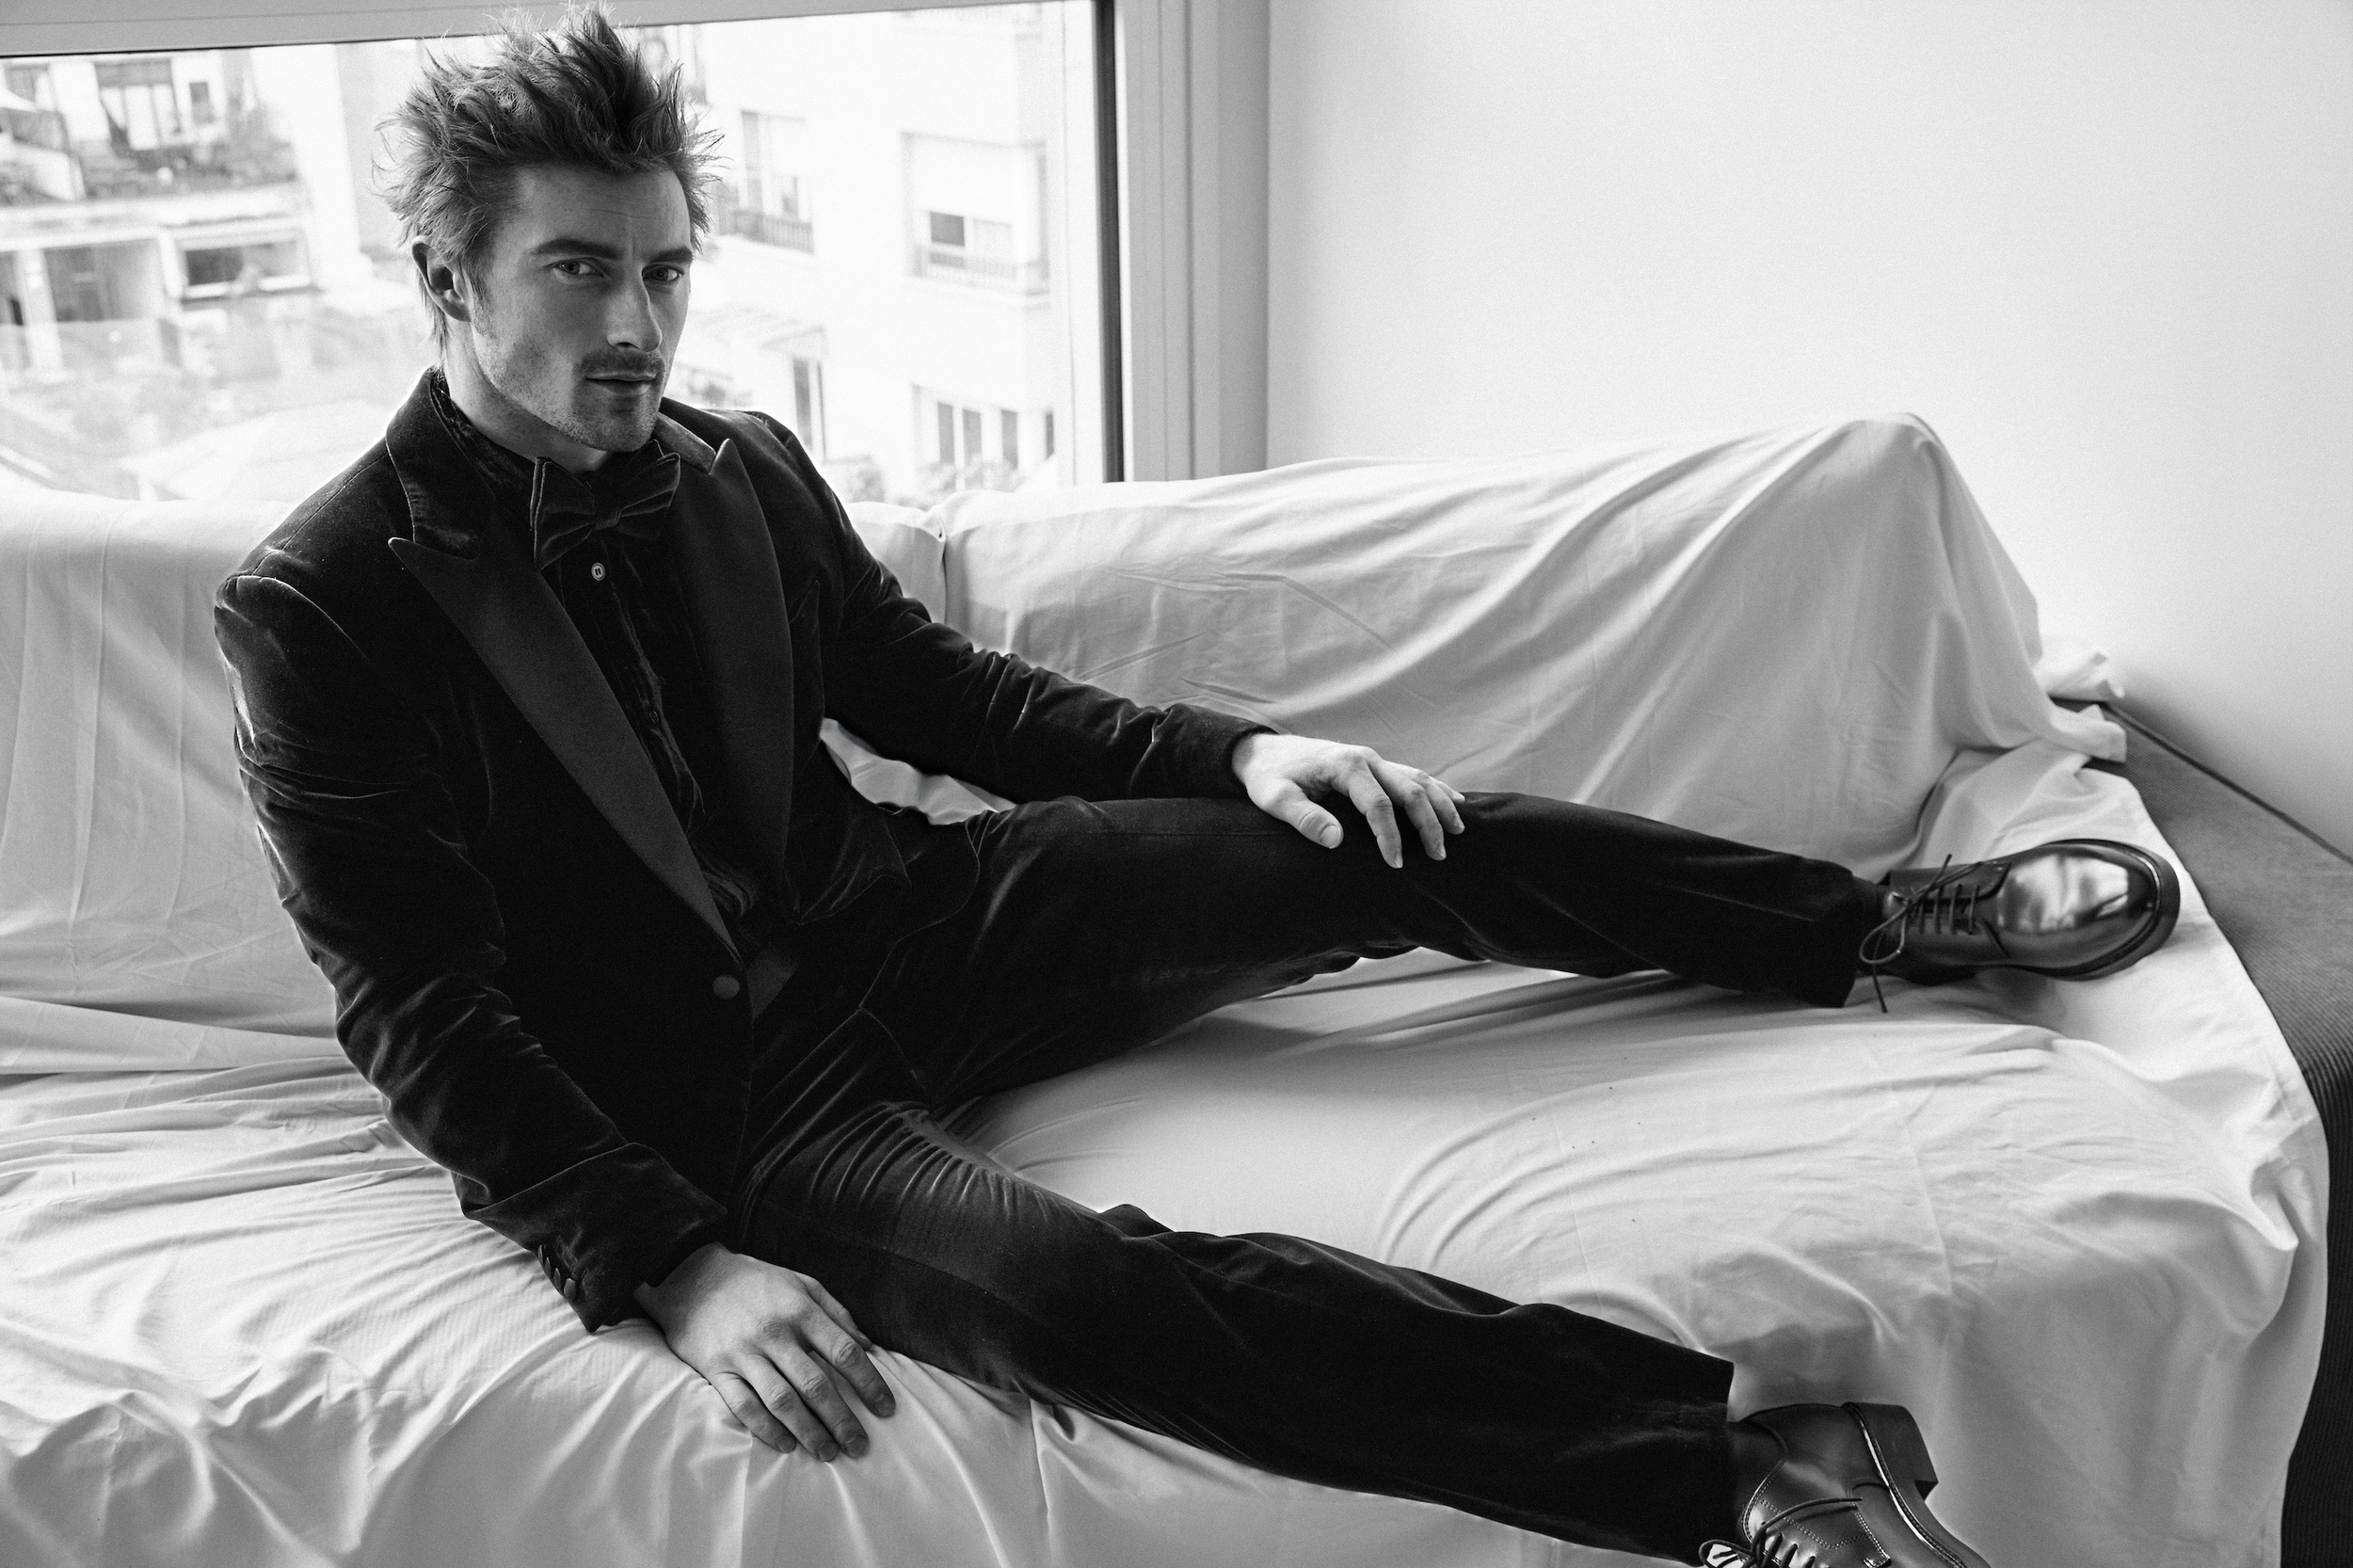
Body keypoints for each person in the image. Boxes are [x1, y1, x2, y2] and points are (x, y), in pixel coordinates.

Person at [213, 13, 2177, 1566]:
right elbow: (424, 1012)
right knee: (1063, 1291)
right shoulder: (325, 602)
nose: (638, 325)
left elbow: (938, 694)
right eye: (579, 270)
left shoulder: (735, 468)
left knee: (1375, 826)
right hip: (721, 1107)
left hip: (915, 925)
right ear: (446, 276)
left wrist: (1237, 755)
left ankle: (1872, 924)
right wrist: (669, 1263)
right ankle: (1732, 1466)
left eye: (664, 269)